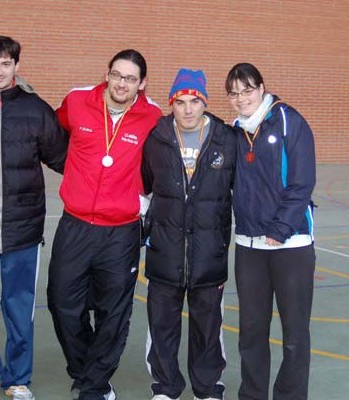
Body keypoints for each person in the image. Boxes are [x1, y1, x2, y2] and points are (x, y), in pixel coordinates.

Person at [46, 49, 162, 400]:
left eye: (130, 78)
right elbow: (52, 134)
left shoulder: (153, 116)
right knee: (62, 301)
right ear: (107, 74)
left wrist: (143, 196)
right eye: (116, 74)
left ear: (141, 83)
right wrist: (73, 172)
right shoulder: (78, 100)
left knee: (113, 312)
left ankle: (95, 387)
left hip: (121, 230)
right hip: (76, 224)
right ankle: (84, 370)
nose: (121, 83)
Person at [0, 35, 68, 400]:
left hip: (23, 232)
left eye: (6, 64)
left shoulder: (37, 109)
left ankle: (18, 379)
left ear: (17, 66)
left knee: (20, 311)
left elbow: (65, 159)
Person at [142, 69, 236, 400]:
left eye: (194, 101)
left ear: (204, 102)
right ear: (171, 104)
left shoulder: (226, 139)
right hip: (165, 255)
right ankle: (165, 388)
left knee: (208, 330)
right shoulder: (156, 137)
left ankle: (208, 388)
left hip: (208, 255)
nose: (188, 109)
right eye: (180, 102)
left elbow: (238, 194)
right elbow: (144, 188)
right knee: (162, 328)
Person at [224, 62, 316, 400]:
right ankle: (252, 395)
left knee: (293, 335)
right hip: (249, 247)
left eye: (246, 90)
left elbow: (302, 182)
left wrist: (281, 228)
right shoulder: (234, 131)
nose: (240, 98)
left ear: (261, 87)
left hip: (291, 245)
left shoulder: (290, 121)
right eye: (233, 93)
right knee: (251, 332)